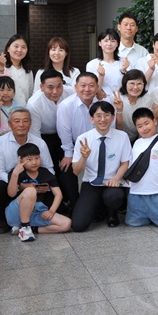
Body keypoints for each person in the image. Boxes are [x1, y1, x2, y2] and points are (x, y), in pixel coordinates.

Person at [0, 108, 54, 233]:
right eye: (17, 121)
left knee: (53, 193)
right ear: (9, 124)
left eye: (25, 121)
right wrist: (19, 184)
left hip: (35, 182)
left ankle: (32, 222)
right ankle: (4, 219)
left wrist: (42, 183)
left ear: (30, 123)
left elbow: (49, 168)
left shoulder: (40, 142)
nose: (21, 125)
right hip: (12, 183)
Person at [71, 100, 132, 230]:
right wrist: (84, 157)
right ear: (92, 119)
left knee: (114, 197)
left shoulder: (122, 136)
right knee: (78, 225)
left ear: (113, 117)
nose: (103, 119)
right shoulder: (83, 139)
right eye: (98, 116)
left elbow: (125, 163)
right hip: (92, 183)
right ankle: (99, 209)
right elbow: (76, 171)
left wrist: (116, 178)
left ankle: (112, 213)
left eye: (106, 115)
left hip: (113, 183)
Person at [4, 143, 71, 241]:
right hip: (16, 212)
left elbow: (58, 194)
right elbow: (11, 193)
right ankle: (25, 227)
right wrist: (15, 174)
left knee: (66, 224)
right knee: (30, 190)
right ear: (20, 160)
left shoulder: (45, 173)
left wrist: (51, 211)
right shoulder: (16, 172)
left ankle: (30, 229)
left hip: (37, 211)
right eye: (29, 159)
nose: (34, 162)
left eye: (37, 158)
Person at [56, 72, 103, 212]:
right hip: (75, 147)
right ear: (75, 87)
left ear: (97, 87)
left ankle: (101, 206)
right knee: (67, 168)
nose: (87, 89)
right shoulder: (66, 105)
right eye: (83, 85)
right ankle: (75, 205)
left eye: (91, 85)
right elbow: (64, 131)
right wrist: (68, 154)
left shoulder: (102, 104)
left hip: (99, 146)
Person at [27, 69, 73, 167]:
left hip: (67, 134)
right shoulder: (33, 104)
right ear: (41, 87)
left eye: (59, 86)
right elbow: (35, 134)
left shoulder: (71, 92)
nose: (55, 92)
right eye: (50, 87)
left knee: (69, 167)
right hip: (46, 136)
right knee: (50, 165)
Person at [0, 34, 35, 106]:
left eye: (23, 47)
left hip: (22, 110)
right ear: (8, 48)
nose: (19, 50)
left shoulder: (28, 70)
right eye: (16, 46)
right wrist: (1, 67)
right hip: (1, 110)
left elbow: (30, 93)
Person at [113, 69, 153, 141]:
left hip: (139, 137)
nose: (135, 87)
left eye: (139, 84)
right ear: (125, 84)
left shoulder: (147, 99)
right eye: (132, 83)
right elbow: (118, 127)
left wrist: (138, 143)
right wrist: (119, 110)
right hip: (118, 137)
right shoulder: (116, 98)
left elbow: (145, 125)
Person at [86, 28, 125, 101]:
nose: (109, 44)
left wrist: (124, 71)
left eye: (113, 41)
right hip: (102, 101)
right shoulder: (92, 64)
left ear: (117, 44)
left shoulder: (124, 62)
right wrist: (101, 76)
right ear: (100, 43)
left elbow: (129, 84)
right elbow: (91, 88)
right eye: (106, 41)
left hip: (122, 100)